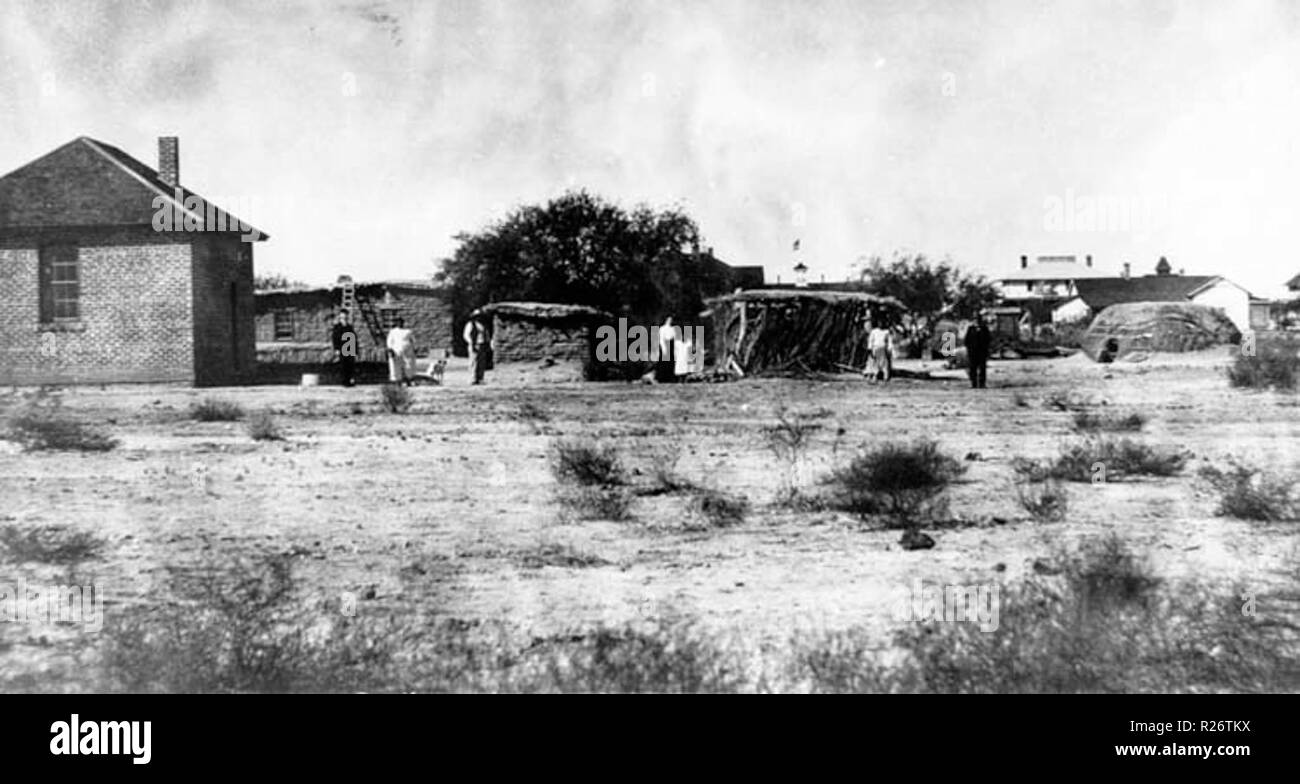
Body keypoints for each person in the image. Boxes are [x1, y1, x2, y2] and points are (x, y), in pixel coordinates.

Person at [386, 317, 416, 386]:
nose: (400, 324)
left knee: (408, 366)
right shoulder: (393, 332)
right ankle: (397, 381)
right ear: (396, 323)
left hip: (407, 352)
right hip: (396, 351)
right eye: (398, 322)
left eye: (401, 322)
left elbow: (413, 341)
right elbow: (389, 341)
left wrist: (414, 348)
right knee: (396, 367)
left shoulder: (408, 331)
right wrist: (390, 349)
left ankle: (409, 380)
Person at [331, 310, 358, 387]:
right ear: (340, 317)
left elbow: (354, 338)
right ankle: (344, 381)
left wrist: (355, 350)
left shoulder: (349, 327)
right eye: (342, 317)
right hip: (342, 348)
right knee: (343, 365)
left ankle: (350, 380)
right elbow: (335, 338)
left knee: (350, 365)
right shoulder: (337, 327)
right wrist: (336, 349)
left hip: (350, 348)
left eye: (345, 316)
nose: (344, 318)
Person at [964, 316, 992, 389]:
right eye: (976, 320)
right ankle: (974, 384)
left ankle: (982, 384)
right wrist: (969, 349)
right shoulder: (971, 329)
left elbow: (988, 339)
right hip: (973, 352)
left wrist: (986, 349)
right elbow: (967, 340)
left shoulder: (984, 329)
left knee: (982, 368)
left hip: (982, 352)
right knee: (973, 368)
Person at [463, 315, 490, 385]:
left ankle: (480, 378)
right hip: (474, 344)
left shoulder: (483, 325)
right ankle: (472, 378)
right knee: (473, 362)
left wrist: (487, 342)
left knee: (482, 362)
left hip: (482, 344)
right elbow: (466, 335)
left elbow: (486, 334)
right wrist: (470, 342)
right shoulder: (471, 324)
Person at [655, 315, 679, 384]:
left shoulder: (672, 329)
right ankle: (662, 378)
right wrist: (663, 348)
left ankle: (670, 377)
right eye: (668, 320)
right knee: (664, 362)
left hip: (671, 345)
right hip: (665, 344)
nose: (670, 321)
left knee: (671, 362)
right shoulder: (662, 328)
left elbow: (674, 338)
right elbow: (661, 339)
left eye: (671, 320)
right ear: (666, 320)